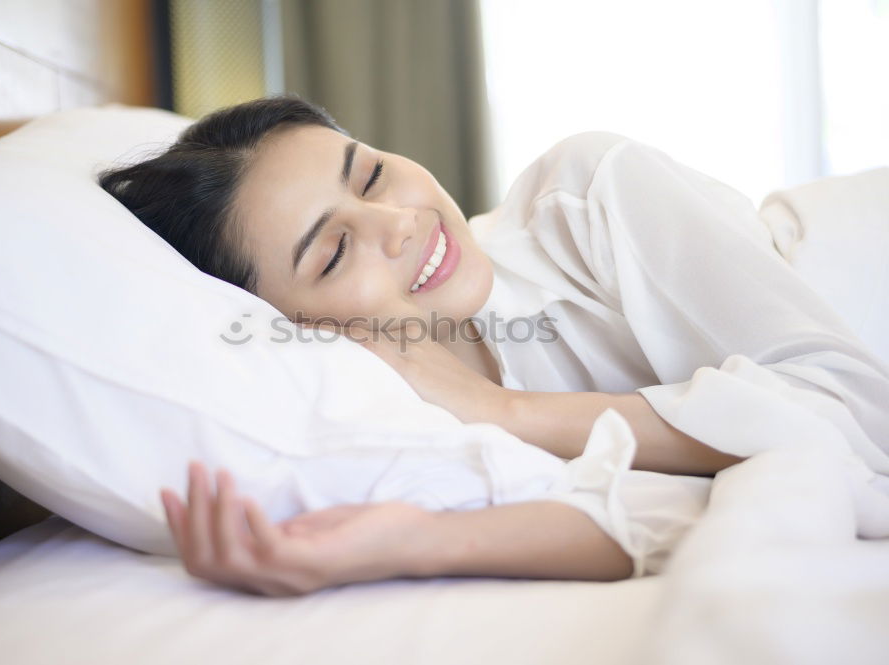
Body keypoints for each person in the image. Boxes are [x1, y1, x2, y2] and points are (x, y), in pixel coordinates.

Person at [98, 95, 889, 597]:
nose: (401, 221)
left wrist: (509, 409)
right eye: (333, 252)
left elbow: (859, 410)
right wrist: (408, 543)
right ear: (290, 324)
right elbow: (659, 513)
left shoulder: (583, 192)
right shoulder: (374, 399)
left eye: (370, 176)